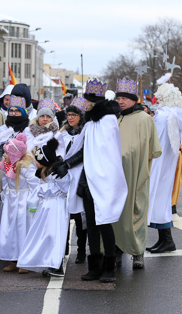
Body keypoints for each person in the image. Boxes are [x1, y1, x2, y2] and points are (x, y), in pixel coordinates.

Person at [79, 79, 127, 283]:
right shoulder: (90, 123)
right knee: (91, 225)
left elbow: (109, 154)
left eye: (88, 100)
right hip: (89, 179)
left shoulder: (108, 121)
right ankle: (95, 266)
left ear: (95, 102)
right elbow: (83, 150)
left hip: (104, 180)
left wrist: (102, 175)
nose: (85, 104)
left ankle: (109, 266)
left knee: (105, 223)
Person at [112, 78, 162, 270]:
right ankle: (116, 249)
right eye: (119, 98)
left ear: (134, 100)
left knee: (136, 211)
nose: (121, 101)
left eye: (125, 98)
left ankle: (137, 252)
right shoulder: (114, 118)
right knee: (116, 213)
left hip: (136, 174)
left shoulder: (145, 119)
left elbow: (154, 149)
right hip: (115, 175)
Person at [17, 137, 70, 277]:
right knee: (44, 234)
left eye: (37, 160)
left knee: (55, 234)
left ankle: (57, 264)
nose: (35, 162)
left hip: (56, 205)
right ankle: (48, 261)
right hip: (46, 206)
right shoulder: (43, 173)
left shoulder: (57, 173)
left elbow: (65, 188)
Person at [147, 82, 182, 254]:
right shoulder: (176, 114)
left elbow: (152, 136)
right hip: (166, 163)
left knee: (157, 199)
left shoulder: (163, 115)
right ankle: (164, 240)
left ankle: (166, 241)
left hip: (159, 161)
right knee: (161, 201)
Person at [0, 133, 39, 274]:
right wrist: (5, 195)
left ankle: (25, 261)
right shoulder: (7, 166)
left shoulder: (27, 167)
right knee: (11, 229)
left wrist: (32, 202)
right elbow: (5, 182)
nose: (4, 156)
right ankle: (13, 259)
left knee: (23, 229)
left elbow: (35, 185)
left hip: (23, 201)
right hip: (11, 201)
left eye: (7, 153)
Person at [56, 96, 87, 265]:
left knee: (80, 216)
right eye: (69, 114)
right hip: (64, 179)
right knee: (64, 214)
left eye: (74, 114)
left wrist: (68, 163)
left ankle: (81, 250)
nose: (70, 117)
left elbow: (83, 153)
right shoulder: (61, 133)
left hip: (80, 177)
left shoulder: (85, 133)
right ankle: (64, 248)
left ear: (81, 116)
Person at [0, 95, 31, 161]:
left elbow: (29, 151)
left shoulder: (28, 130)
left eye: (17, 111)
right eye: (11, 110)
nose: (13, 113)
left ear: (22, 112)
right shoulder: (3, 129)